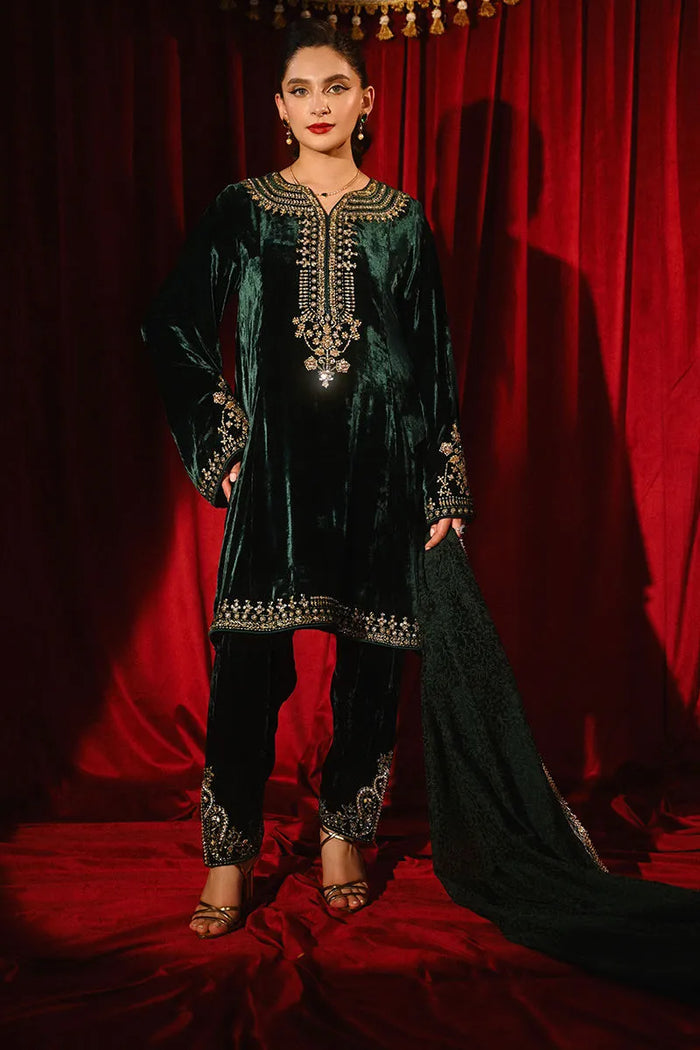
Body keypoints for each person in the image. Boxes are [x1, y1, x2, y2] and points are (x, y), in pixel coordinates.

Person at [141, 18, 475, 939]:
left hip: (383, 467)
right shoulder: (244, 208)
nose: (319, 104)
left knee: (373, 661)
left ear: (367, 102)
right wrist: (223, 441)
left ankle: (342, 836)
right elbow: (172, 324)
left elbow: (433, 361)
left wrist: (443, 484)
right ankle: (229, 852)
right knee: (249, 662)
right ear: (279, 107)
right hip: (277, 473)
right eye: (301, 90)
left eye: (336, 87)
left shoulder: (402, 220)